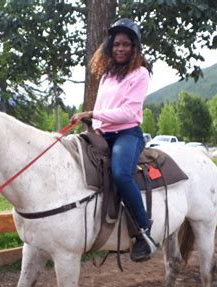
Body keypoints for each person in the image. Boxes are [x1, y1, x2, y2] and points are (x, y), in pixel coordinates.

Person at [71, 18, 159, 262]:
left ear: (134, 48)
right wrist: (95, 126)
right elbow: (102, 106)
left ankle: (144, 232)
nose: (120, 48)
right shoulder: (107, 75)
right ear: (110, 46)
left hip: (127, 134)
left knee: (120, 174)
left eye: (126, 44)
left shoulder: (140, 74)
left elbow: (129, 112)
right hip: (103, 133)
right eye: (116, 44)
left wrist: (93, 114)